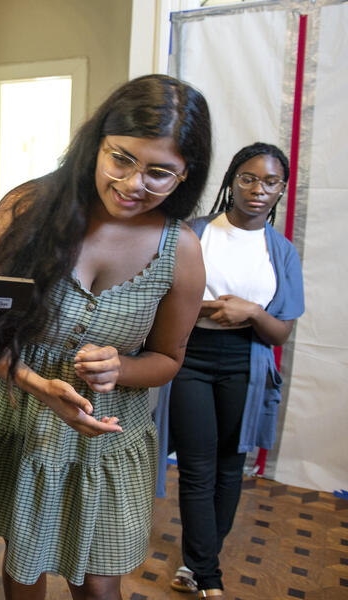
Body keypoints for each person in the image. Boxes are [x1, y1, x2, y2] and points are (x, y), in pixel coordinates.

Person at [0, 74, 211, 600]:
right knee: (25, 565)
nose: (134, 184)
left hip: (107, 436)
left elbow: (168, 358)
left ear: (186, 174)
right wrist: (35, 384)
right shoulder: (28, 210)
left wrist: (122, 368)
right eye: (121, 159)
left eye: (159, 173)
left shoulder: (180, 250)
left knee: (98, 584)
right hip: (22, 417)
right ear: (96, 144)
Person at [156, 143, 304, 598]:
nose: (258, 189)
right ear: (231, 181)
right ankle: (209, 575)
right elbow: (162, 298)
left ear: (281, 189)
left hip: (247, 363)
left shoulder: (281, 252)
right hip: (191, 360)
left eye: (270, 182)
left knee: (229, 466)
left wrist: (252, 312)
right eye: (248, 178)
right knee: (198, 466)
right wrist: (206, 309)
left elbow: (279, 333)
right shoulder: (194, 233)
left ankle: (198, 562)